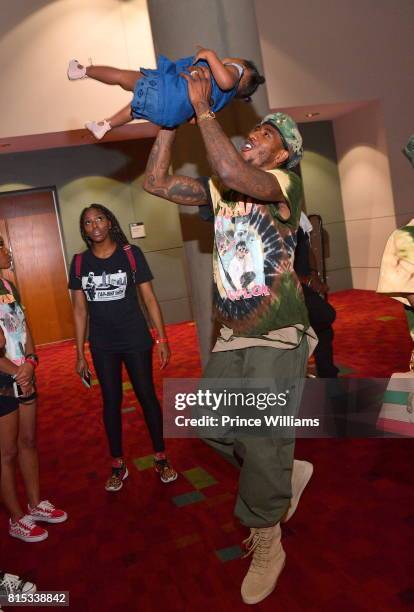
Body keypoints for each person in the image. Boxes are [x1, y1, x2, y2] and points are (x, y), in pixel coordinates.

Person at [143, 65, 316, 605]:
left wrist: (203, 110)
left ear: (283, 154)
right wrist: (171, 120)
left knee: (261, 438)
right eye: (254, 128)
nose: (253, 134)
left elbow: (236, 173)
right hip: (233, 336)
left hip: (279, 333)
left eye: (266, 133)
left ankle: (268, 537)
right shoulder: (221, 189)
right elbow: (156, 182)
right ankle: (283, 474)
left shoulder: (285, 184)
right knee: (212, 425)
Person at [68, 204, 177, 491]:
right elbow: (79, 310)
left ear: (109, 221)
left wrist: (162, 338)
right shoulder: (79, 263)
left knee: (146, 396)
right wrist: (80, 353)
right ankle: (117, 464)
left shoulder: (131, 254)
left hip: (135, 338)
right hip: (102, 343)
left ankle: (161, 458)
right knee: (111, 401)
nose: (95, 226)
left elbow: (150, 299)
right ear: (85, 230)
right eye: (88, 222)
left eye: (99, 219)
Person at [0, 244, 67, 543]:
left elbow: (23, 329)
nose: (7, 250)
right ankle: (16, 518)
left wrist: (30, 362)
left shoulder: (8, 285)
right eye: (1, 246)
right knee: (7, 452)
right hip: (4, 379)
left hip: (23, 374)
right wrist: (17, 372)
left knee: (28, 441)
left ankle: (35, 503)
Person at [67, 47, 265, 139]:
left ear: (241, 66)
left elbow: (226, 81)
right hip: (168, 114)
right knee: (135, 110)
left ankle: (82, 70)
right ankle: (106, 125)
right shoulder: (221, 102)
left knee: (122, 77)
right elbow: (195, 120)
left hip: (170, 91)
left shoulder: (236, 71)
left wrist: (209, 54)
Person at [294, 212, 339, 378]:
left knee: (323, 330)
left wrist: (314, 276)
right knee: (325, 316)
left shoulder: (298, 214)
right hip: (287, 288)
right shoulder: (271, 215)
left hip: (304, 285)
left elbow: (307, 247)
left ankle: (328, 375)